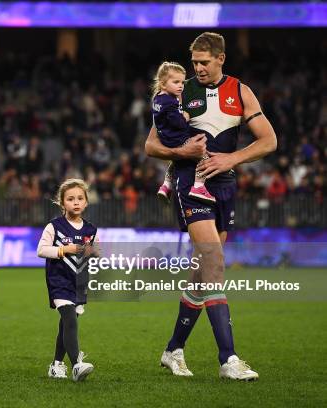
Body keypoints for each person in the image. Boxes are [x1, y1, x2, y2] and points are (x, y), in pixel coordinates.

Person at [145, 32, 277, 381]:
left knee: (205, 274)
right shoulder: (180, 90)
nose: (198, 68)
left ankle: (173, 349)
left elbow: (269, 141)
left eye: (205, 62)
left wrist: (232, 158)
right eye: (194, 63)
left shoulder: (240, 91)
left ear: (221, 59)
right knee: (214, 264)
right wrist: (180, 153)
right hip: (192, 186)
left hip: (225, 187)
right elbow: (150, 145)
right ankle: (228, 359)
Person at [37, 178, 98, 382]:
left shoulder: (91, 229)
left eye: (80, 198)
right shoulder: (54, 226)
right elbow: (41, 250)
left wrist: (91, 251)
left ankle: (56, 365)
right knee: (70, 320)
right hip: (59, 282)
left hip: (79, 284)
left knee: (66, 325)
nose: (76, 202)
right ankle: (76, 365)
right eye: (70, 199)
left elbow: (97, 252)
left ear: (86, 202)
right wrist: (64, 249)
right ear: (62, 203)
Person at [152, 61, 216, 204]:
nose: (181, 85)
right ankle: (199, 186)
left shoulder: (157, 98)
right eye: (176, 82)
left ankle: (166, 186)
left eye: (182, 82)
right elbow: (179, 124)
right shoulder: (171, 102)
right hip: (177, 139)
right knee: (203, 157)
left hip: (165, 139)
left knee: (174, 161)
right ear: (163, 84)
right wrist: (185, 116)